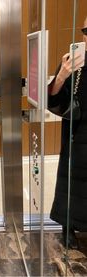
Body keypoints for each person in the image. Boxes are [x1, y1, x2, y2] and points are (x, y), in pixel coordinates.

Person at [48, 17, 87, 249]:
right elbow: (53, 99)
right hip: (77, 132)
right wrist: (62, 74)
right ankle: (68, 226)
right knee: (71, 182)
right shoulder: (72, 62)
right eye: (86, 30)